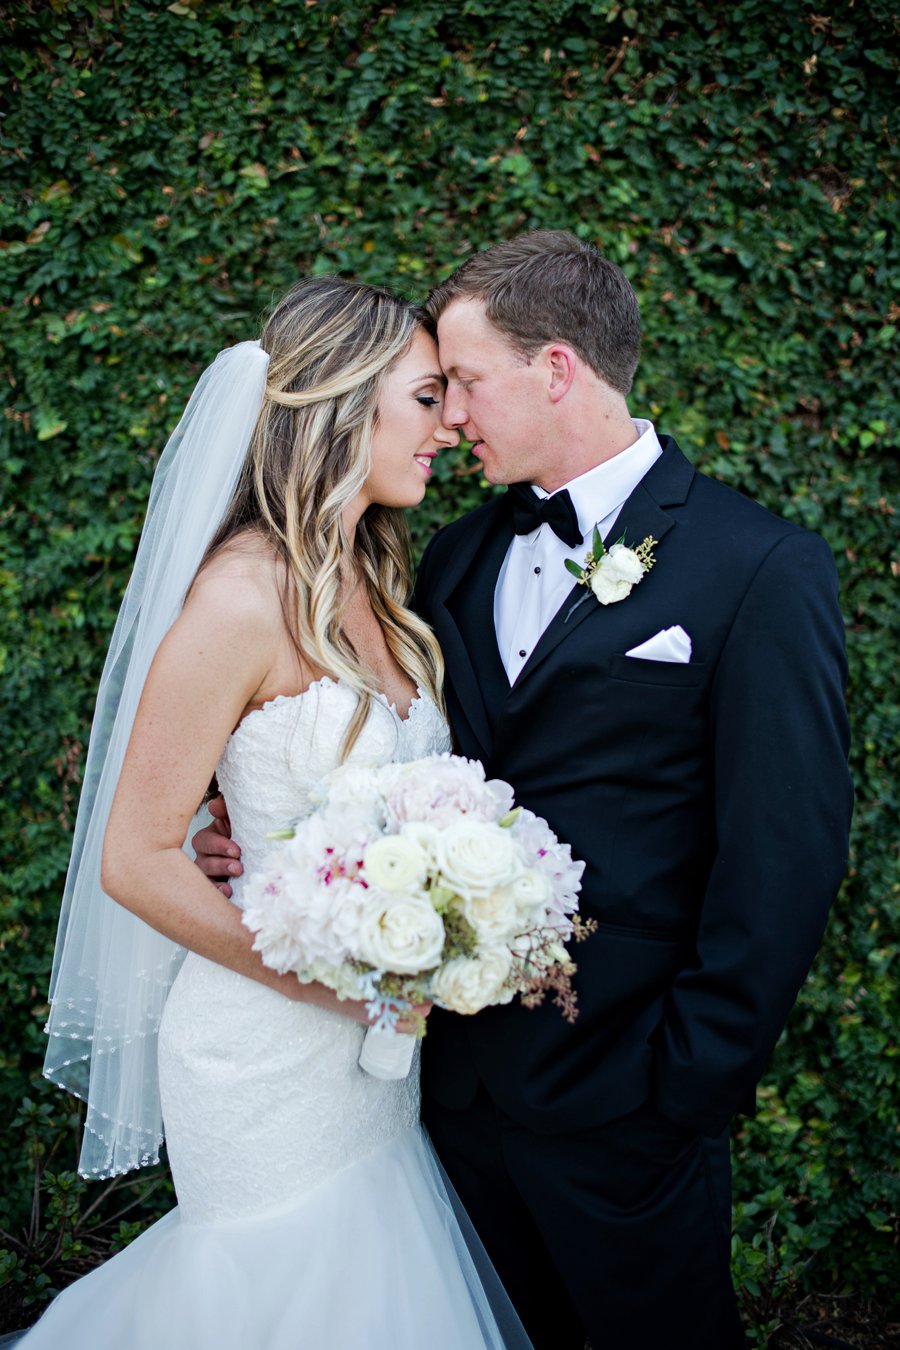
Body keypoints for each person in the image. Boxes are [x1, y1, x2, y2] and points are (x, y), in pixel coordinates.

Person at [195, 230, 854, 1350]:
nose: (449, 416)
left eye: (462, 383)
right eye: (437, 393)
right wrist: (240, 829)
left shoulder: (757, 567)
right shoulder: (444, 557)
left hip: (628, 1096)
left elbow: (786, 853)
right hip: (439, 1098)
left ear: (555, 370)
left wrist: (682, 1085)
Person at [24, 277, 532, 1349]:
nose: (449, 426)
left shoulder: (378, 579)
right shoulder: (240, 597)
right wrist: (334, 979)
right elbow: (136, 856)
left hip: (374, 1063)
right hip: (262, 1050)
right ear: (344, 402)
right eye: (427, 396)